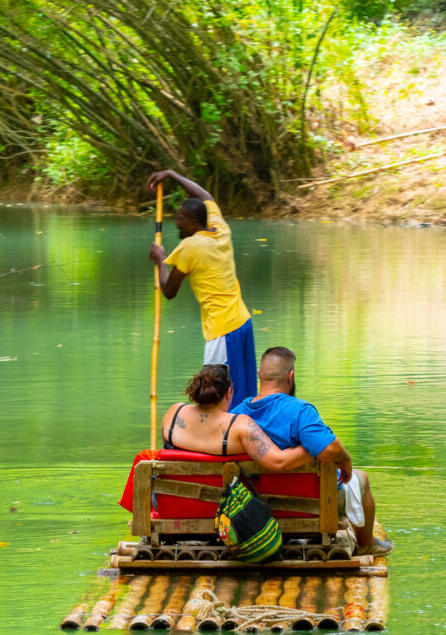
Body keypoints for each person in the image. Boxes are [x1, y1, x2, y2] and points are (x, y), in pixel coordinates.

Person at [231, 346, 393, 556]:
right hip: (311, 502)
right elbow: (328, 450)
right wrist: (346, 459)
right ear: (291, 375)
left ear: (259, 375)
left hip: (252, 503)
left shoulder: (236, 414)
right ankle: (366, 543)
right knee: (362, 479)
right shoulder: (299, 411)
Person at [146, 170, 256, 408]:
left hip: (222, 329)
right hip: (242, 322)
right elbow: (205, 196)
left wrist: (159, 260)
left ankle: (218, 440)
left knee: (213, 394)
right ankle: (237, 439)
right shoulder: (221, 229)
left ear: (195, 224)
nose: (176, 222)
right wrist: (172, 175)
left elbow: (169, 290)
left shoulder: (190, 246)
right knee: (241, 395)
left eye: (181, 218)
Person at [159, 364, 308, 468]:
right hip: (220, 506)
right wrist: (316, 447)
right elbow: (279, 462)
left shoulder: (173, 413)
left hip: (173, 500)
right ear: (229, 392)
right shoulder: (240, 426)